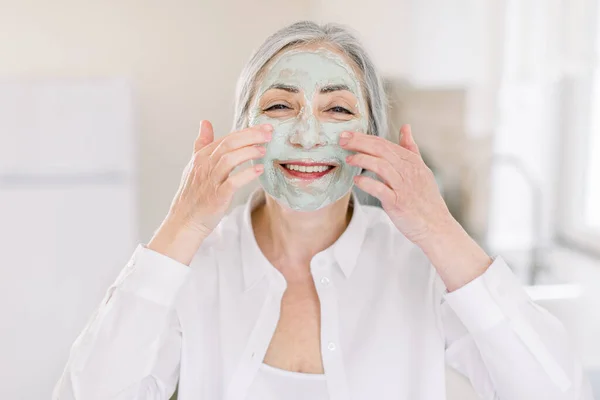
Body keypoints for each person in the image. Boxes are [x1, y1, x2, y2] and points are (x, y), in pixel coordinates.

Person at [53, 21, 592, 400]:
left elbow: (557, 391)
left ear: (372, 135)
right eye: (280, 106)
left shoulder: (420, 265)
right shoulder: (195, 267)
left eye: (337, 109)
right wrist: (184, 223)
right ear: (243, 130)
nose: (309, 136)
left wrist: (437, 227)